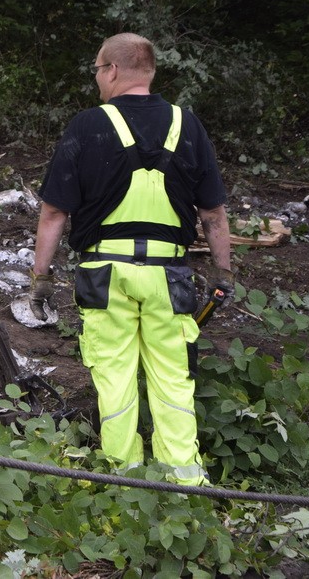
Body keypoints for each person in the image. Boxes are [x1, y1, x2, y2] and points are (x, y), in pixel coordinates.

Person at [27, 32, 234, 486]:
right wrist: (223, 272)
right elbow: (214, 215)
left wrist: (40, 278)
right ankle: (184, 484)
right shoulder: (188, 125)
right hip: (170, 277)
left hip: (105, 277)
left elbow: (54, 212)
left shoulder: (87, 126)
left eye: (99, 70)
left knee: (115, 376)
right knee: (173, 379)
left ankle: (122, 481)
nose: (97, 79)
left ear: (114, 70)